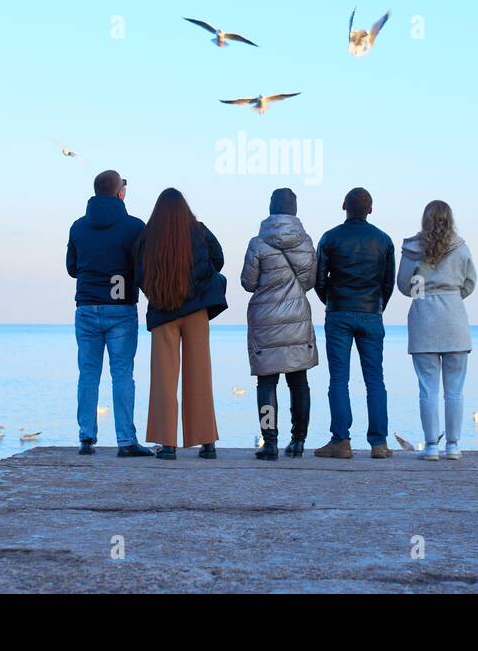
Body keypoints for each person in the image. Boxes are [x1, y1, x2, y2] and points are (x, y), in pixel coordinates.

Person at [65, 170, 154, 457]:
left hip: (87, 307)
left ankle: (86, 438)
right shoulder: (134, 227)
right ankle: (126, 440)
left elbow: (71, 268)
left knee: (88, 375)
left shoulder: (78, 227)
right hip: (121, 310)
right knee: (122, 375)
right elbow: (143, 269)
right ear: (120, 193)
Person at [135, 188, 226, 460]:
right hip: (196, 310)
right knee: (200, 375)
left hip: (164, 312)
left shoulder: (147, 235)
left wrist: (159, 292)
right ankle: (207, 442)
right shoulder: (199, 230)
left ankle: (168, 444)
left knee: (163, 379)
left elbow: (139, 273)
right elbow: (218, 260)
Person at [313, 187, 395, 459]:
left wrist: (331, 301)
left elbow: (319, 279)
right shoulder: (383, 240)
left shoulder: (330, 238)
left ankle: (341, 441)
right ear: (370, 209)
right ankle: (379, 443)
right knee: (375, 380)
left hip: (339, 312)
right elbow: (388, 282)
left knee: (339, 378)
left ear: (344, 205)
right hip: (372, 313)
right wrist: (376, 306)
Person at [240, 188, 318, 460]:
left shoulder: (257, 243)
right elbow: (309, 282)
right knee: (299, 382)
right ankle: (298, 442)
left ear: (270, 208)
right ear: (294, 210)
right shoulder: (306, 242)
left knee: (266, 383)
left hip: (265, 321)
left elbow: (248, 283)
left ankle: (270, 442)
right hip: (297, 319)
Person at [397, 200, 477, 460]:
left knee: (427, 389)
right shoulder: (462, 248)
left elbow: (403, 286)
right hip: (454, 320)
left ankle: (431, 446)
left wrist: (424, 292)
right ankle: (453, 446)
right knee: (454, 390)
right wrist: (451, 295)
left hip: (423, 320)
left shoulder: (411, 249)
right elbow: (470, 283)